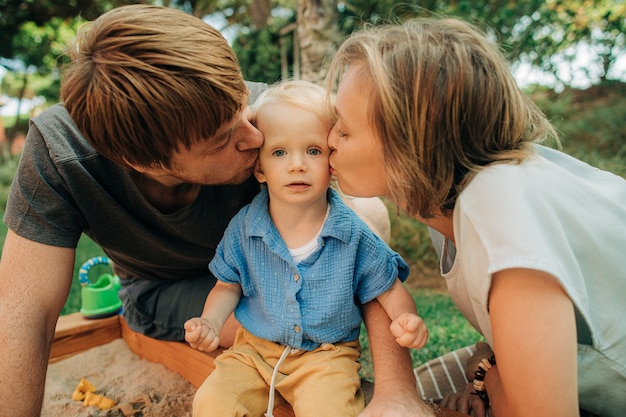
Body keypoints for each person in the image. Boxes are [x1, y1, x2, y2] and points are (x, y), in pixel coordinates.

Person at [0, 5, 431, 417]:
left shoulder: (267, 115)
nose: (254, 137)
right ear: (147, 164)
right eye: (223, 140)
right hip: (167, 288)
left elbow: (362, 228)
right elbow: (23, 315)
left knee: (366, 217)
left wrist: (398, 391)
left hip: (279, 269)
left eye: (241, 106)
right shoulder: (60, 155)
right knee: (269, 329)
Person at [326, 17, 626, 417]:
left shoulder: (498, 206)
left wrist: (486, 373)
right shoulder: (454, 205)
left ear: (410, 145)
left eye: (344, 131)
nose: (328, 140)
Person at [184, 80, 429, 417]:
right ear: (259, 168)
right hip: (252, 352)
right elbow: (227, 285)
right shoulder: (244, 228)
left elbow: (388, 288)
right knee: (212, 404)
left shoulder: (353, 234)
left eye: (313, 150)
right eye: (280, 152)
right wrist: (211, 321)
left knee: (328, 410)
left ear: (332, 161)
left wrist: (405, 317)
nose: (297, 164)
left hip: (327, 356)